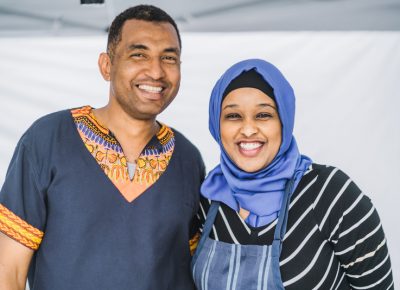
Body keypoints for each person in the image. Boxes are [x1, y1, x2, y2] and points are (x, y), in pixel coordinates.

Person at [0, 5, 204, 290]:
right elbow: (8, 272)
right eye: (139, 54)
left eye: (169, 58)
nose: (156, 71)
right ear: (106, 66)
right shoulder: (48, 140)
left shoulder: (188, 159)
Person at [192, 59, 393, 289]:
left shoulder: (331, 196)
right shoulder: (208, 199)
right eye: (233, 116)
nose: (248, 129)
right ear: (216, 125)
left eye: (263, 115)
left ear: (284, 122)